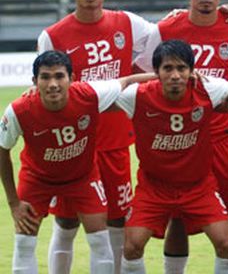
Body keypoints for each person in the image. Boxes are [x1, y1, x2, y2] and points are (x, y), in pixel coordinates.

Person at [134, 0, 228, 271]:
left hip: (221, 136)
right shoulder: (166, 28)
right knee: (176, 214)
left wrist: (218, 91)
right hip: (178, 138)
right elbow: (143, 75)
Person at [36, 0, 154, 271]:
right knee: (66, 221)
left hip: (114, 141)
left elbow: (167, 39)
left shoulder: (129, 24)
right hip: (73, 145)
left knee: (117, 219)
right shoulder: (53, 36)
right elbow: (47, 90)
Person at [0, 51, 153, 273]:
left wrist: (176, 77)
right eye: (45, 77)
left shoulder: (90, 94)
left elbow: (128, 80)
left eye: (59, 76)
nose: (53, 84)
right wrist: (14, 203)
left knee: (100, 238)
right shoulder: (18, 111)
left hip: (83, 178)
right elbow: (2, 150)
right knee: (24, 242)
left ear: (72, 78)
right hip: (37, 179)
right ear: (34, 82)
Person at [117, 40, 228, 273]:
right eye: (168, 69)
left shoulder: (207, 89)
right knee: (132, 246)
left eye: (182, 68)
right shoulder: (137, 95)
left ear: (191, 71)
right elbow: (93, 95)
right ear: (156, 72)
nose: (175, 75)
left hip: (199, 187)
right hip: (153, 188)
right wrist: (129, 80)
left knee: (226, 243)